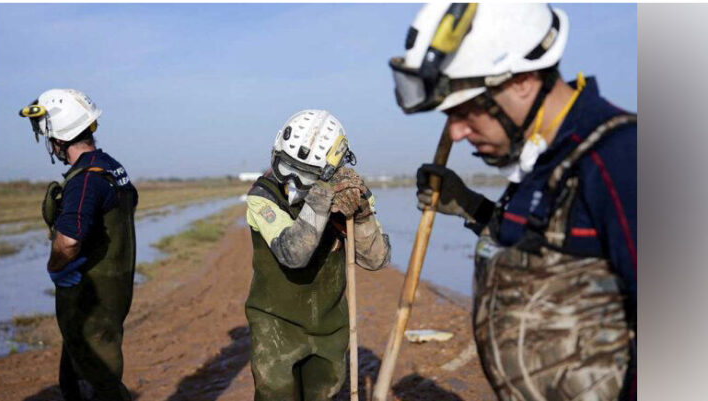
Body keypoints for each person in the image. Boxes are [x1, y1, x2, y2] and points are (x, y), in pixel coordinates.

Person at [390, 4, 636, 400]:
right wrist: (466, 204)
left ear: (522, 79)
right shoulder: (541, 159)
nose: (454, 132)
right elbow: (537, 248)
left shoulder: (623, 158)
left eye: (466, 110)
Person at [244, 109, 391, 400]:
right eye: (287, 168)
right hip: (275, 324)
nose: (294, 182)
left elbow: (376, 260)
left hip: (330, 324)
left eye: (307, 175)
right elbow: (293, 254)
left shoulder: (349, 193)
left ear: (330, 170)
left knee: (324, 394)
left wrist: (361, 216)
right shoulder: (263, 196)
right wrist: (321, 198)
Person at [19, 89, 138, 401]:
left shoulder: (85, 179)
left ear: (58, 137)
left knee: (97, 384)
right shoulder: (112, 167)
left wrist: (54, 266)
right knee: (79, 373)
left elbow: (69, 241)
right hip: (113, 293)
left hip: (91, 301)